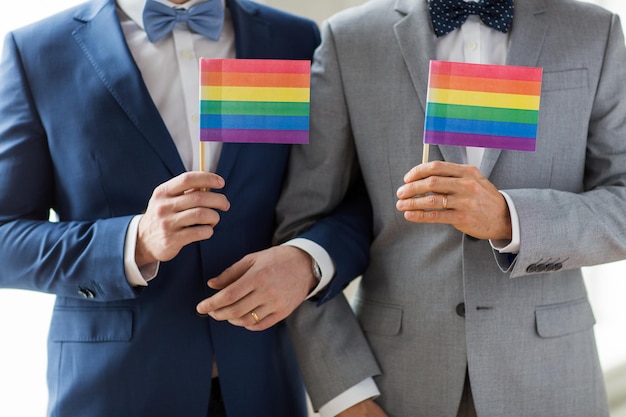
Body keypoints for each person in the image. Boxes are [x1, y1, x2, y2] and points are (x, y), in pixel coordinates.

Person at [198, 0, 626, 416]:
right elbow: (302, 226)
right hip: (393, 386)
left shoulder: (595, 30)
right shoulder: (349, 38)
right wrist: (345, 394)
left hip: (553, 381)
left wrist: (506, 217)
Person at [0, 0, 372, 416]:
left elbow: (356, 199)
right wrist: (131, 242)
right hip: (113, 391)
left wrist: (307, 262)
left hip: (262, 384)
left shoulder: (295, 40)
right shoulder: (36, 51)